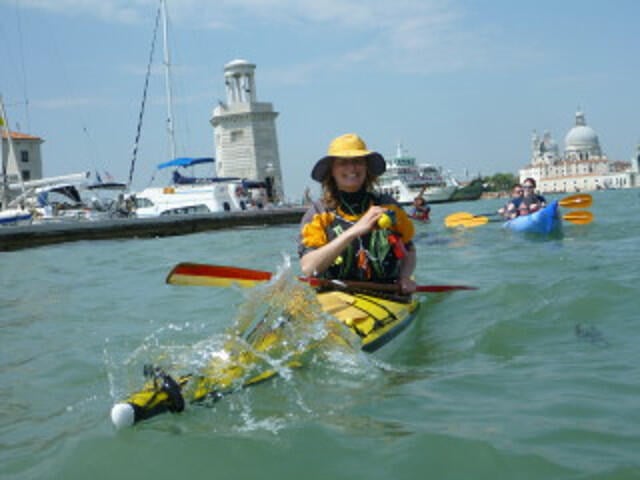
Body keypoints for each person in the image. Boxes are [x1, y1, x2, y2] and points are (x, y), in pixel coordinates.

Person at [298, 133, 417, 294]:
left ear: (366, 168)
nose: (352, 168)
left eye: (358, 161)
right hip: (335, 294)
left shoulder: (389, 207)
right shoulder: (318, 214)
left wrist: (405, 277)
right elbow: (308, 268)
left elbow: (409, 249)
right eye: (343, 163)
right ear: (331, 170)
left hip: (387, 294)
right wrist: (354, 231)